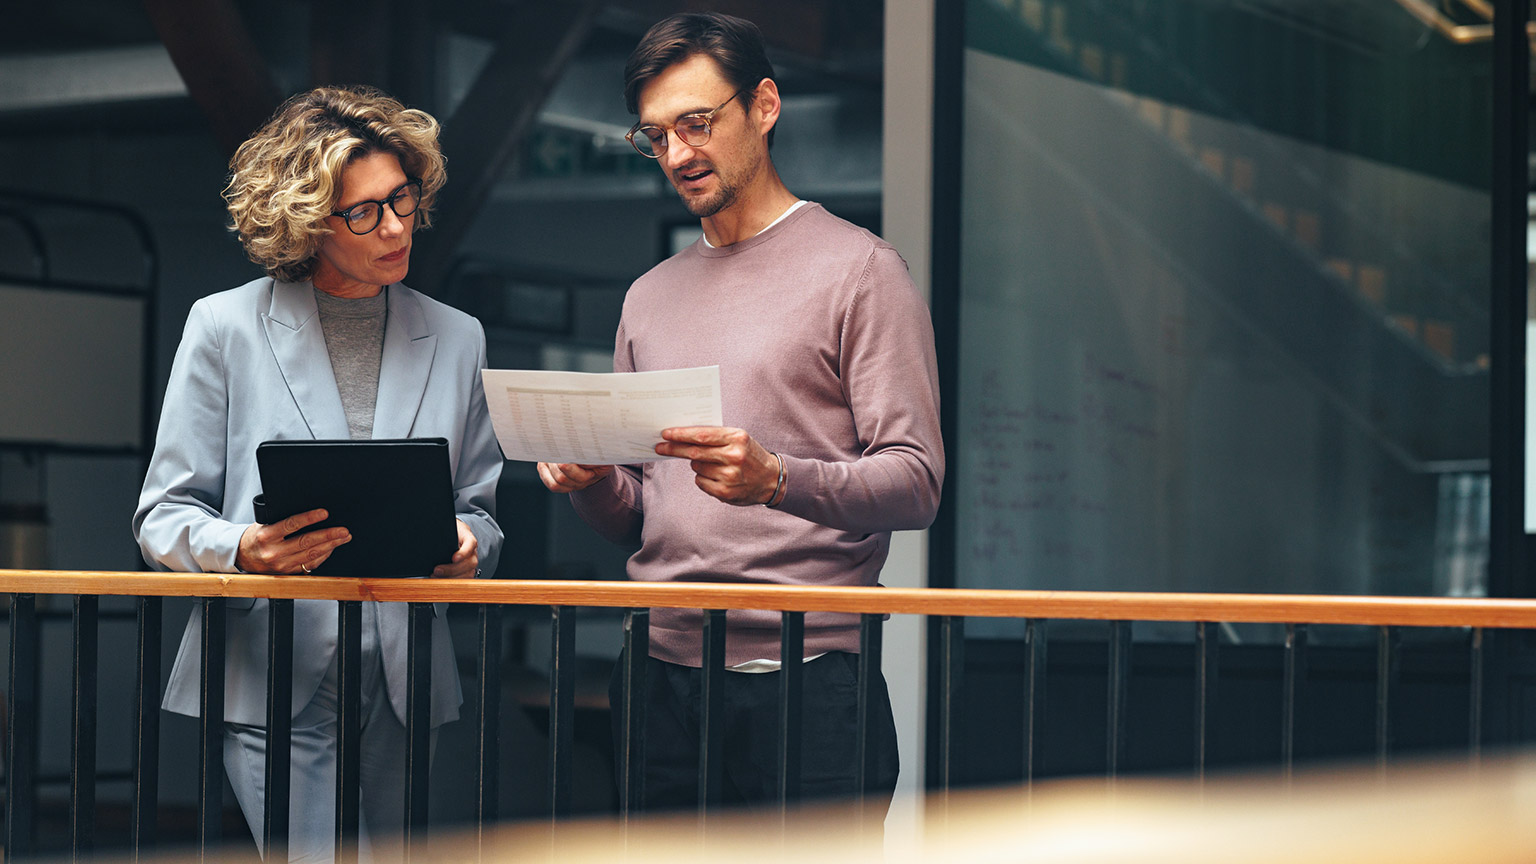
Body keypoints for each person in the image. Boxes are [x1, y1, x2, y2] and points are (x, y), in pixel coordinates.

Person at [537, 13, 943, 817]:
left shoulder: (862, 271)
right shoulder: (648, 297)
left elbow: (917, 482)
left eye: (697, 122)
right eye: (655, 136)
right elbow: (642, 518)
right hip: (656, 676)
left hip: (808, 678)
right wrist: (588, 482)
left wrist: (778, 480)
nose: (679, 154)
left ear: (763, 105)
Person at [133, 85, 503, 862]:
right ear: (305, 220)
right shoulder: (224, 328)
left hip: (405, 679)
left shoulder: (459, 338)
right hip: (272, 665)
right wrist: (242, 548)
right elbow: (162, 514)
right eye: (364, 212)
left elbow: (479, 508)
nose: (397, 226)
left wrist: (472, 541)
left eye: (402, 199)